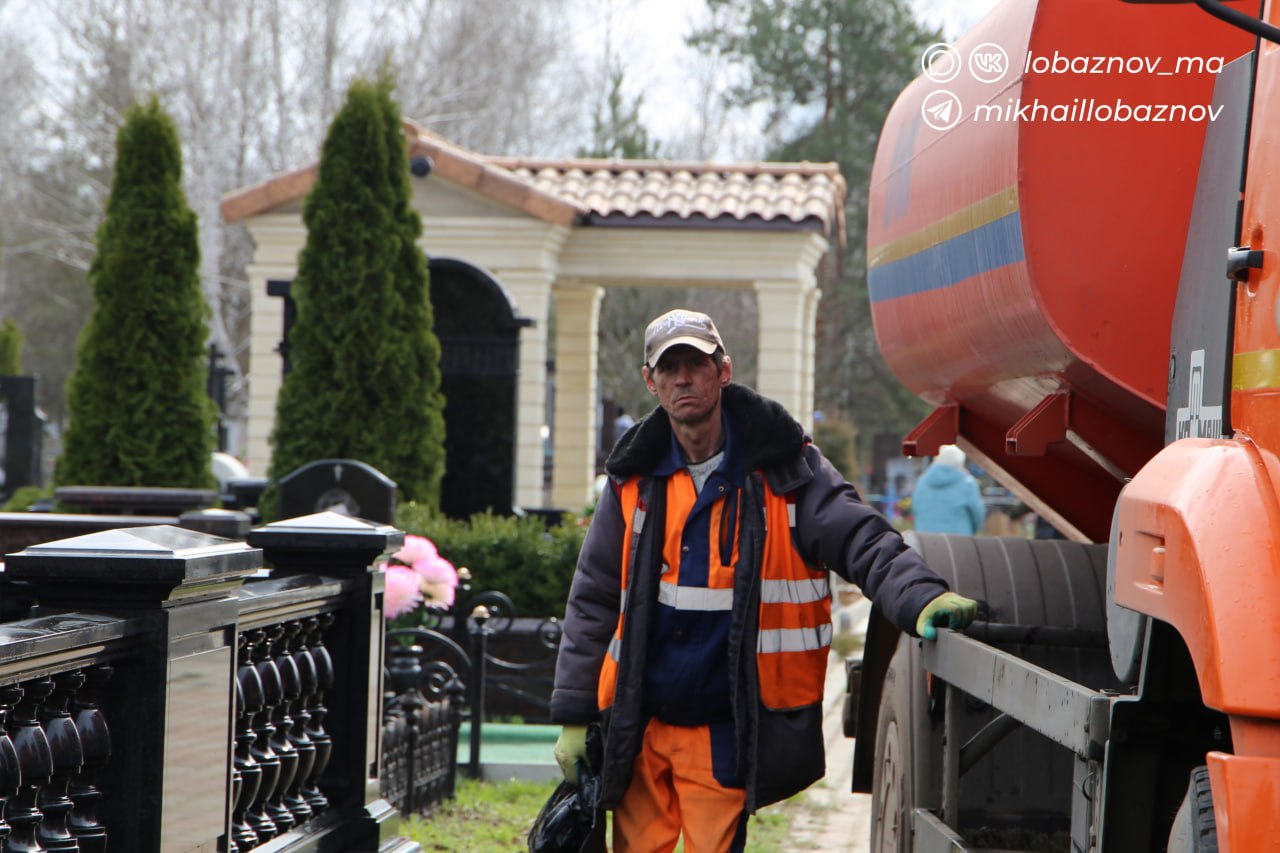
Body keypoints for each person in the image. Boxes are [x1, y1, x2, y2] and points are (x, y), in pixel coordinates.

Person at [550, 308, 978, 852]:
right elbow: (592, 598)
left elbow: (860, 539)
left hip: (722, 733)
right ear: (650, 382)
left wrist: (920, 597)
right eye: (669, 368)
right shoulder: (631, 480)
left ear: (723, 371)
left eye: (696, 364)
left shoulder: (787, 468)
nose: (684, 378)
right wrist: (573, 714)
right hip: (639, 728)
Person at [911, 444, 986, 535]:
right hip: (960, 538)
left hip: (925, 538)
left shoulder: (922, 482)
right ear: (960, 462)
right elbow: (977, 514)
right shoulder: (967, 483)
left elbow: (915, 509)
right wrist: (972, 531)